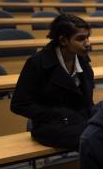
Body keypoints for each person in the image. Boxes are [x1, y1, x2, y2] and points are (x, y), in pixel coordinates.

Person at [10, 14, 93, 150]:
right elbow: (19, 104)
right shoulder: (37, 63)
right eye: (81, 39)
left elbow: (86, 99)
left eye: (88, 37)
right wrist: (58, 114)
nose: (88, 43)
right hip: (51, 125)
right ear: (63, 40)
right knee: (94, 137)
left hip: (80, 119)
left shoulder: (83, 60)